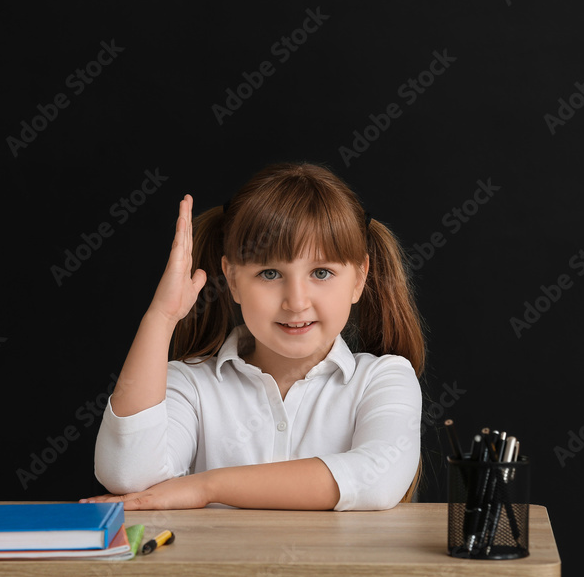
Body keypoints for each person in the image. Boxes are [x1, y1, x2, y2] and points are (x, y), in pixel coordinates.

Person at [81, 162, 426, 511]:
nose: (296, 302)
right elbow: (128, 478)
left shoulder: (384, 379)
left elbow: (375, 478)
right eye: (270, 273)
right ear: (232, 279)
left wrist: (206, 486)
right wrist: (161, 317)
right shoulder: (189, 385)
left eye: (321, 272)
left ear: (359, 278)